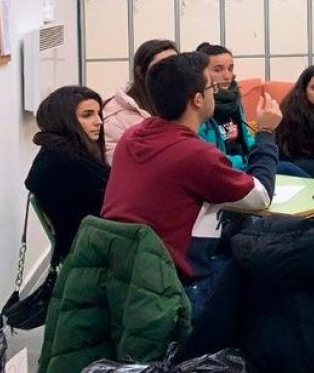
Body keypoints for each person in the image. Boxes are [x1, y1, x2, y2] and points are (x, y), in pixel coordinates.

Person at [101, 52, 279, 316]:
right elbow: (261, 196)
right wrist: (265, 133)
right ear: (197, 99)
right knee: (275, 277)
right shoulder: (195, 154)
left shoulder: (132, 136)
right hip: (181, 286)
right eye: (210, 85)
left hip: (130, 276)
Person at [25, 86, 110, 265]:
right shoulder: (69, 164)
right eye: (87, 115)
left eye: (98, 114)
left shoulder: (58, 155)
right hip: (92, 257)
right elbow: (110, 208)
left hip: (88, 248)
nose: (99, 121)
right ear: (65, 120)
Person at [195, 42, 307, 177]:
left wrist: (262, 149)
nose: (227, 76)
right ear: (203, 74)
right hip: (226, 170)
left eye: (230, 69)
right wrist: (246, 159)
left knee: (284, 162)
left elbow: (245, 136)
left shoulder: (234, 98)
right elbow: (206, 156)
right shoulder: (200, 106)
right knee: (285, 169)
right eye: (218, 70)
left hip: (247, 162)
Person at [101, 38, 177, 164]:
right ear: (140, 72)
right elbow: (120, 166)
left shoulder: (178, 103)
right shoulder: (115, 117)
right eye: (162, 66)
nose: (172, 73)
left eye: (176, 65)